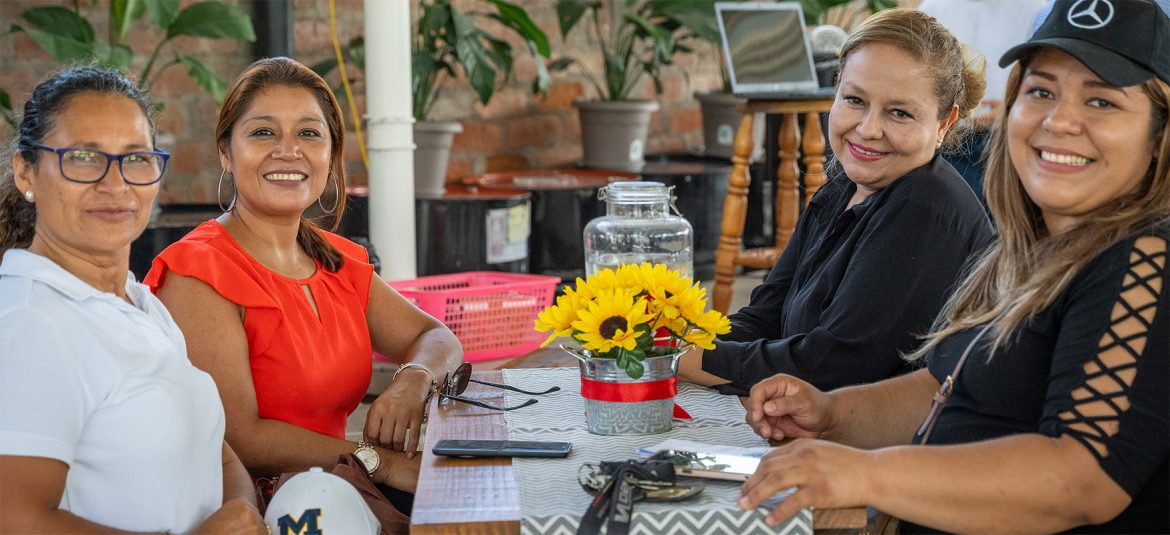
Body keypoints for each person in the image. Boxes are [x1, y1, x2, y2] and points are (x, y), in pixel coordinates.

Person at [739, 1, 1169, 531]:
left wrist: (867, 475)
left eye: (1101, 101)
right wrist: (831, 413)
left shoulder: (1146, 256)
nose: (1059, 121)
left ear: (1157, 135)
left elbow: (1082, 479)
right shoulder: (1025, 245)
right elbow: (945, 389)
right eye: (1041, 91)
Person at [144, 57, 463, 503]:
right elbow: (240, 438)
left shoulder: (335, 262)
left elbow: (437, 336)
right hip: (252, 514)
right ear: (225, 153)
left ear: (331, 154)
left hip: (338, 494)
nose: (288, 151)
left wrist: (414, 379)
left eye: (309, 133)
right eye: (262, 132)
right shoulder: (197, 272)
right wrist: (379, 461)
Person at [0, 67, 265, 533]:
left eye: (136, 158)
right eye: (83, 157)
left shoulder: (137, 302)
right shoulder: (30, 322)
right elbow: (15, 518)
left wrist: (243, 510)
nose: (115, 183)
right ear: (27, 171)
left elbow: (213, 451)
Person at [678, 9, 994, 395]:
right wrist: (678, 341)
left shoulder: (924, 209)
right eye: (854, 100)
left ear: (944, 123)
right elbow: (766, 315)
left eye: (899, 113)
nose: (867, 129)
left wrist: (688, 361)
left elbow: (831, 367)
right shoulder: (844, 185)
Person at [917, 0, 1048, 202]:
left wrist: (1010, 110)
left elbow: (1046, 80)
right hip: (940, 133)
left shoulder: (1037, 11)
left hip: (999, 139)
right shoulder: (933, 8)